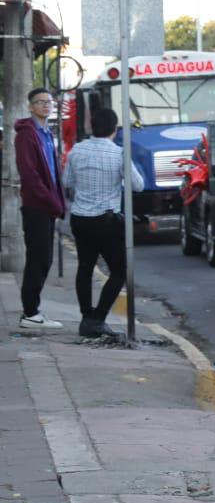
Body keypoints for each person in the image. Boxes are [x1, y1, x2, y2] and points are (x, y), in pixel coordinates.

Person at [62, 108, 143, 338]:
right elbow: (138, 185)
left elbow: (66, 181)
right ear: (114, 129)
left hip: (80, 218)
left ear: (92, 128)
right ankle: (97, 318)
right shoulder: (118, 154)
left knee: (85, 267)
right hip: (106, 221)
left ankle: (87, 317)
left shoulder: (77, 150)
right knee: (119, 271)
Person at [13, 88, 65, 329]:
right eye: (40, 102)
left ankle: (33, 311)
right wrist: (52, 201)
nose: (46, 105)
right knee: (38, 259)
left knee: (44, 259)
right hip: (37, 206)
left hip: (48, 204)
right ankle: (30, 313)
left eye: (49, 102)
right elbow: (30, 175)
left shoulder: (46, 133)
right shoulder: (26, 134)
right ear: (31, 107)